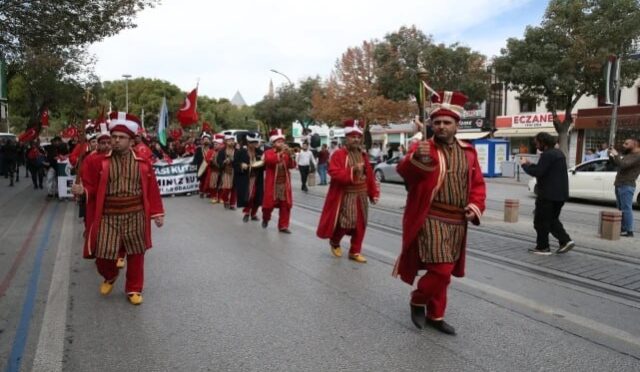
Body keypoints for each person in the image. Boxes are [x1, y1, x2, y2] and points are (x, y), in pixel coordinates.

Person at [392, 91, 486, 335]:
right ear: (431, 125)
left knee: (443, 274)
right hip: (430, 218)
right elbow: (405, 172)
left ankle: (436, 315)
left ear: (456, 125)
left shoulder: (469, 152)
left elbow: (477, 185)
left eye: (447, 123)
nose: (442, 127)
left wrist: (475, 206)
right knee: (441, 270)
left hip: (457, 221)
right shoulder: (423, 147)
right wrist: (416, 158)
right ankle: (418, 298)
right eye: (437, 123)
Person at [73, 112, 164, 306]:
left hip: (136, 214)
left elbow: (152, 189)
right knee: (102, 254)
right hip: (108, 215)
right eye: (114, 137)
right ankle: (111, 275)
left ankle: (134, 288)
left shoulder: (143, 162)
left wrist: (157, 213)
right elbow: (91, 186)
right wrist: (83, 190)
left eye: (121, 138)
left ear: (131, 141)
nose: (115, 141)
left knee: (136, 253)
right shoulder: (99, 161)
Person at [316, 119, 379, 263]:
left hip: (361, 194)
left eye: (358, 137)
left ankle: (355, 251)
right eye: (353, 136)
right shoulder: (338, 154)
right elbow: (334, 172)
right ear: (346, 138)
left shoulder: (363, 155)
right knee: (347, 222)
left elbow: (369, 176)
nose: (356, 139)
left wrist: (373, 193)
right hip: (347, 194)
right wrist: (352, 170)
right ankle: (335, 240)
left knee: (361, 224)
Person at [520, 132, 575, 255]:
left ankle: (543, 247)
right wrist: (531, 164)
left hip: (547, 195)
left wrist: (524, 165)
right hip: (560, 195)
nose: (536, 145)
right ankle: (565, 241)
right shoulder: (558, 153)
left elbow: (539, 172)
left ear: (543, 143)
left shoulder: (547, 155)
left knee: (540, 221)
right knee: (551, 220)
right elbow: (546, 170)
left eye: (537, 142)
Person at [262, 128, 296, 233]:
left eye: (282, 141)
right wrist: (280, 153)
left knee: (285, 205)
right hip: (272, 184)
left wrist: (291, 156)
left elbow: (292, 166)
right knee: (268, 205)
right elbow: (270, 161)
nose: (281, 143)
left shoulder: (286, 153)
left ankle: (283, 226)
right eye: (278, 141)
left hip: (284, 184)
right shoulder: (268, 152)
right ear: (273, 143)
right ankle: (266, 218)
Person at [609, 138, 640, 237]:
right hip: (619, 183)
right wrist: (611, 156)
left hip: (627, 184)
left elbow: (623, 165)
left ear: (635, 144)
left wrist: (616, 154)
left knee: (626, 208)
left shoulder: (638, 156)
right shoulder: (629, 154)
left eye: (626, 144)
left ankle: (629, 230)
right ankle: (622, 228)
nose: (624, 145)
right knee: (621, 208)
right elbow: (617, 164)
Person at [235, 132, 264, 222]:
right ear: (248, 142)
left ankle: (254, 214)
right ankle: (247, 212)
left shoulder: (260, 153)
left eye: (256, 142)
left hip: (257, 178)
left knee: (258, 197)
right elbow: (235, 163)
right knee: (249, 196)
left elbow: (265, 164)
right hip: (246, 178)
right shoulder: (241, 152)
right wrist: (241, 165)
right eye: (253, 142)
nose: (255, 144)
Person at [217, 134, 238, 209]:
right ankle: (225, 199)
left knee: (234, 188)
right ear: (226, 142)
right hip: (226, 171)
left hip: (235, 171)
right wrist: (224, 162)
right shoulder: (222, 151)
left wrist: (233, 160)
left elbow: (240, 160)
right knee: (226, 188)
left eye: (232, 141)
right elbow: (218, 161)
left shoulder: (237, 151)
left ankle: (232, 204)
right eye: (229, 141)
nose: (231, 142)